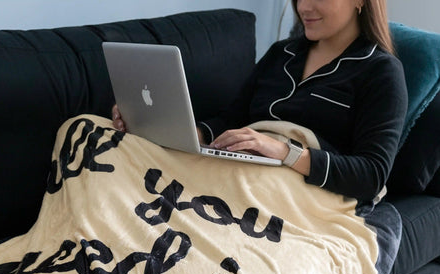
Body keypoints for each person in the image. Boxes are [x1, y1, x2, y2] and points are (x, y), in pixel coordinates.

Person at [112, 0, 408, 204]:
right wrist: (172, 129)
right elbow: (232, 119)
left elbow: (372, 175)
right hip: (243, 166)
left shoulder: (381, 71)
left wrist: (284, 152)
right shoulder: (282, 53)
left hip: (297, 188)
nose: (304, 7)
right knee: (105, 138)